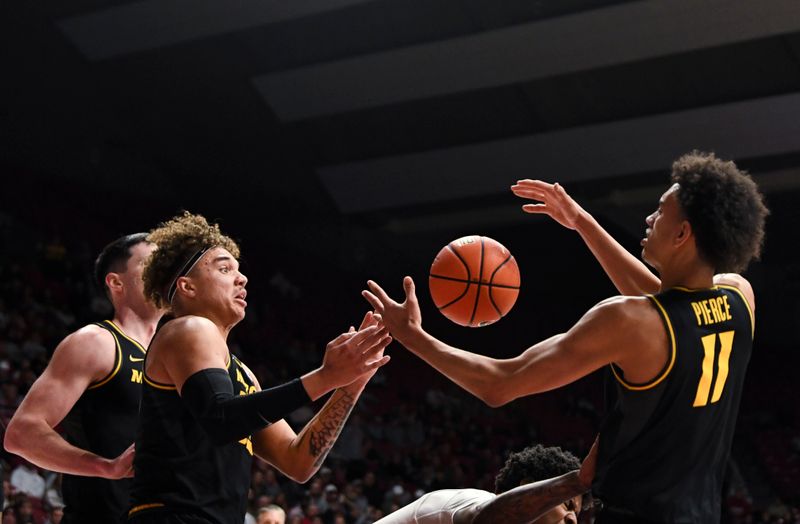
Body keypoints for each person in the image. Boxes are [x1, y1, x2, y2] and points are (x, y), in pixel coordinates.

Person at [364, 151, 768, 523]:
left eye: (660, 212)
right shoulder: (738, 297)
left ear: (682, 235)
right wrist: (581, 222)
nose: (648, 219)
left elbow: (499, 384)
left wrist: (413, 336)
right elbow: (670, 302)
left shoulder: (627, 320)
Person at [129, 212, 392, 524]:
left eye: (239, 270)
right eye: (224, 269)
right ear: (187, 287)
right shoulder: (187, 328)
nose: (242, 278)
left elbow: (297, 462)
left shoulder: (241, 373)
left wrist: (351, 383)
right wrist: (325, 376)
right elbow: (220, 419)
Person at [4, 233, 163, 523]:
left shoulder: (171, 357)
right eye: (152, 263)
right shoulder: (96, 342)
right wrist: (106, 467)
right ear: (116, 282)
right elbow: (21, 434)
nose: (164, 272)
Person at [374, 443, 594, 524]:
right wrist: (578, 481)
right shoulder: (472, 499)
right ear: (527, 487)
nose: (573, 519)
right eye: (567, 504)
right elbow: (488, 519)